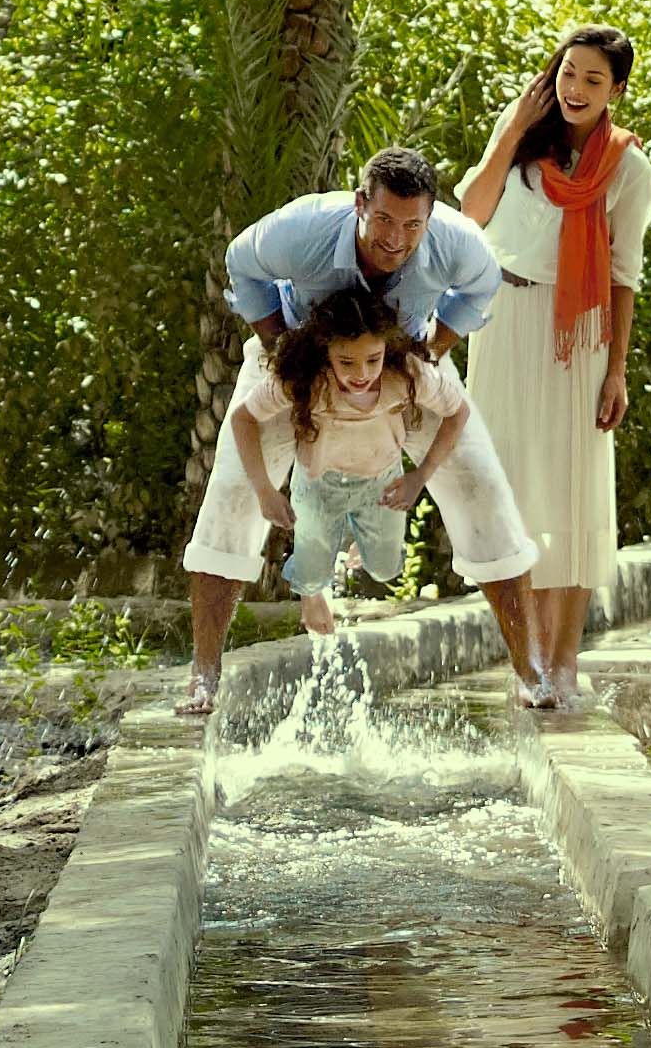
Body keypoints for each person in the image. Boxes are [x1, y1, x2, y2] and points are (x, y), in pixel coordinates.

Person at [184, 149, 539, 704]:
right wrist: (281, 349)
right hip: (299, 363)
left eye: (412, 225)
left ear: (429, 217)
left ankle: (531, 673)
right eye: (384, 221)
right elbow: (240, 261)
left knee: (484, 487)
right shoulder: (303, 228)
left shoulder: (456, 241)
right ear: (359, 206)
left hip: (400, 367)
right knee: (231, 496)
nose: (396, 238)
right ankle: (204, 676)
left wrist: (436, 348)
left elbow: (482, 285)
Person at [458, 27, 651, 722]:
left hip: (580, 337)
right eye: (569, 73)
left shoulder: (629, 170)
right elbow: (469, 215)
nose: (575, 89)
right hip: (501, 322)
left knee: (569, 497)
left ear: (616, 91)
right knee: (510, 493)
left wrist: (617, 373)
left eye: (593, 80)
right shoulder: (522, 145)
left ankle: (562, 661)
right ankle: (528, 658)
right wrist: (508, 130)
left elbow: (625, 275)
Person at [175, 286, 478, 702]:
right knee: (314, 571)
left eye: (372, 360)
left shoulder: (404, 375)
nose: (360, 373)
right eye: (346, 362)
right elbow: (244, 418)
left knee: (387, 569)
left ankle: (351, 535)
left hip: (381, 483)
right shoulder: (304, 381)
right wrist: (265, 490)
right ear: (326, 354)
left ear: (386, 350)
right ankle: (311, 588)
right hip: (318, 486)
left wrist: (420, 475)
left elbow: (458, 411)